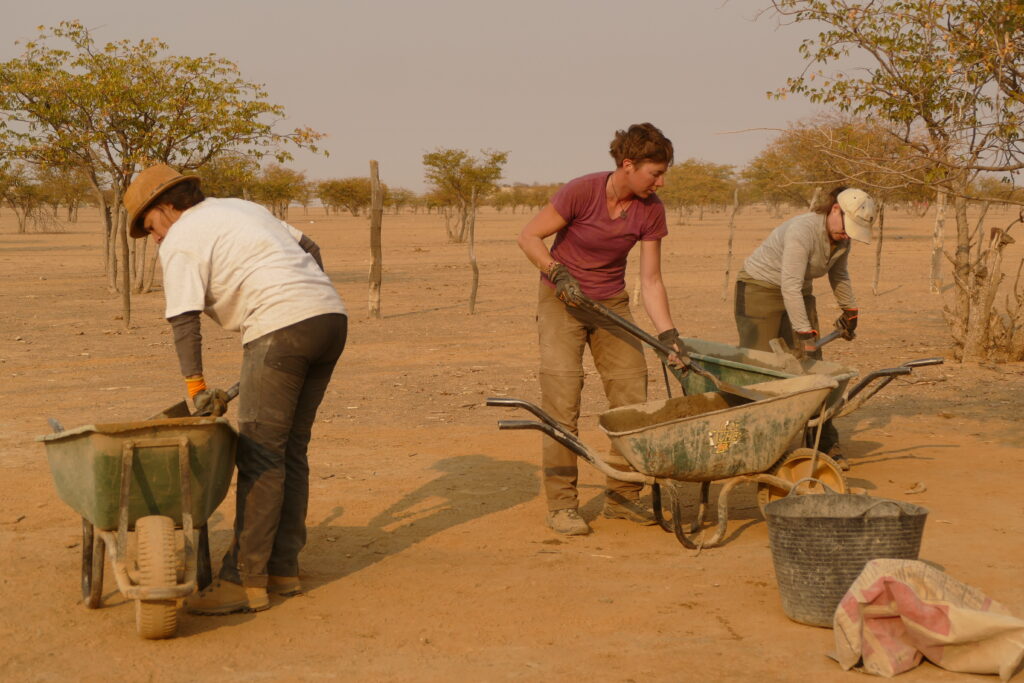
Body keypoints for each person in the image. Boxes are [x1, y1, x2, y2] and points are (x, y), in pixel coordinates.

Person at [123, 164, 348, 614]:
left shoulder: (181, 240)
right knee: (290, 450)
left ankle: (243, 581)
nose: (155, 239)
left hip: (280, 327)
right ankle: (282, 569)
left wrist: (196, 389)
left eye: (150, 227)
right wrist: (309, 293)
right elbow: (310, 246)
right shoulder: (241, 207)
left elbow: (183, 321)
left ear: (166, 206)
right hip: (329, 319)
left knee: (262, 453)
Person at [516, 123, 688, 536]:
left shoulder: (651, 209)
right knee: (562, 402)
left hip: (610, 305)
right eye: (655, 173)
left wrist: (668, 336)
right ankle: (561, 505)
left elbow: (650, 281)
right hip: (562, 301)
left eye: (663, 173)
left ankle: (622, 497)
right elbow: (529, 236)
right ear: (627, 165)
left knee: (631, 398)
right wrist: (557, 273)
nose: (660, 182)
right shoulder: (582, 191)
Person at [733, 186, 877, 469]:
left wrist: (850, 309)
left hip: (798, 292)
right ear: (835, 209)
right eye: (848, 227)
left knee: (814, 369)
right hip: (758, 288)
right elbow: (789, 285)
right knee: (760, 367)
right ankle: (756, 444)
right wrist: (804, 332)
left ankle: (821, 442)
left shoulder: (841, 239)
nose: (847, 235)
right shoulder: (803, 230)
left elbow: (839, 273)